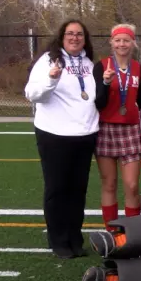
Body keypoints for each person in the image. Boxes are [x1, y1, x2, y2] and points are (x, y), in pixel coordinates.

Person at [25, 19, 104, 259]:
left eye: (79, 34)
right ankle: (58, 240)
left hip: (84, 135)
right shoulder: (49, 60)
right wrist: (51, 79)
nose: (75, 38)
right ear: (62, 37)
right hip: (54, 135)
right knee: (57, 189)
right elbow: (31, 94)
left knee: (78, 190)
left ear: (85, 38)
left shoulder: (90, 63)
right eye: (70, 34)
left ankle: (74, 238)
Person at [93, 24, 141, 228]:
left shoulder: (140, 68)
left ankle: (133, 233)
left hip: (130, 129)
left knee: (131, 186)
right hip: (106, 129)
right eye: (118, 40)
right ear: (111, 42)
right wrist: (105, 83)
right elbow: (98, 103)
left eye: (126, 40)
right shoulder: (101, 66)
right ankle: (112, 231)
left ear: (133, 43)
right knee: (109, 184)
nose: (122, 44)